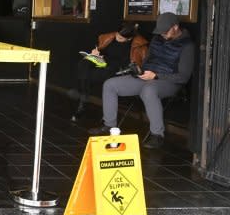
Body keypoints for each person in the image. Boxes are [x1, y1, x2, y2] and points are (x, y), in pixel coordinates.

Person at [88, 12, 194, 149]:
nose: (162, 34)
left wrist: (156, 76)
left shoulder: (187, 46)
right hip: (147, 76)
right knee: (110, 85)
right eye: (160, 32)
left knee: (148, 90)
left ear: (175, 27)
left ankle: (157, 135)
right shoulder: (157, 39)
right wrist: (139, 70)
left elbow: (183, 77)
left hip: (169, 81)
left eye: (165, 32)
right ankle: (109, 126)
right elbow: (147, 60)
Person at [69, 22, 148, 121]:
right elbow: (101, 49)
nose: (117, 38)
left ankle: (82, 98)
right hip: (102, 62)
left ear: (129, 38)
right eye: (117, 35)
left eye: (121, 38)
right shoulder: (110, 38)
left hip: (118, 69)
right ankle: (83, 96)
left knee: (94, 74)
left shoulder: (138, 46)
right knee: (83, 63)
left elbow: (135, 64)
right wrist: (96, 54)